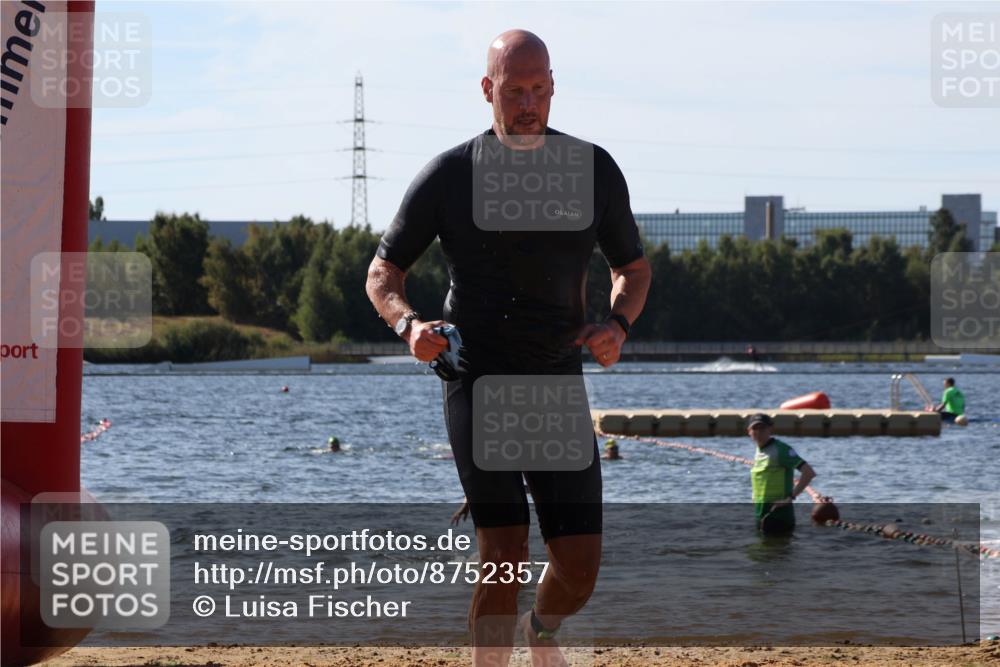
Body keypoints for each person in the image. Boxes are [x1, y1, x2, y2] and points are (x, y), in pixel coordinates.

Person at [365, 28, 651, 667]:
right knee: (504, 554)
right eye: (515, 90)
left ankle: (541, 632)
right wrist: (410, 327)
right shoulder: (448, 175)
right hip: (477, 377)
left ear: (553, 89)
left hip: (555, 379)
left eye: (539, 90)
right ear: (488, 90)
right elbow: (382, 274)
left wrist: (618, 325)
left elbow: (632, 269)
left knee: (578, 566)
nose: (528, 104)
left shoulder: (592, 169)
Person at [747, 413, 816, 534]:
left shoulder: (782, 449)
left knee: (779, 551)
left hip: (779, 516)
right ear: (749, 431)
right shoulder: (759, 450)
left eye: (762, 428)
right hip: (761, 513)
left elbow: (809, 472)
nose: (758, 432)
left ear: (770, 429)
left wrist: (791, 497)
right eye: (755, 428)